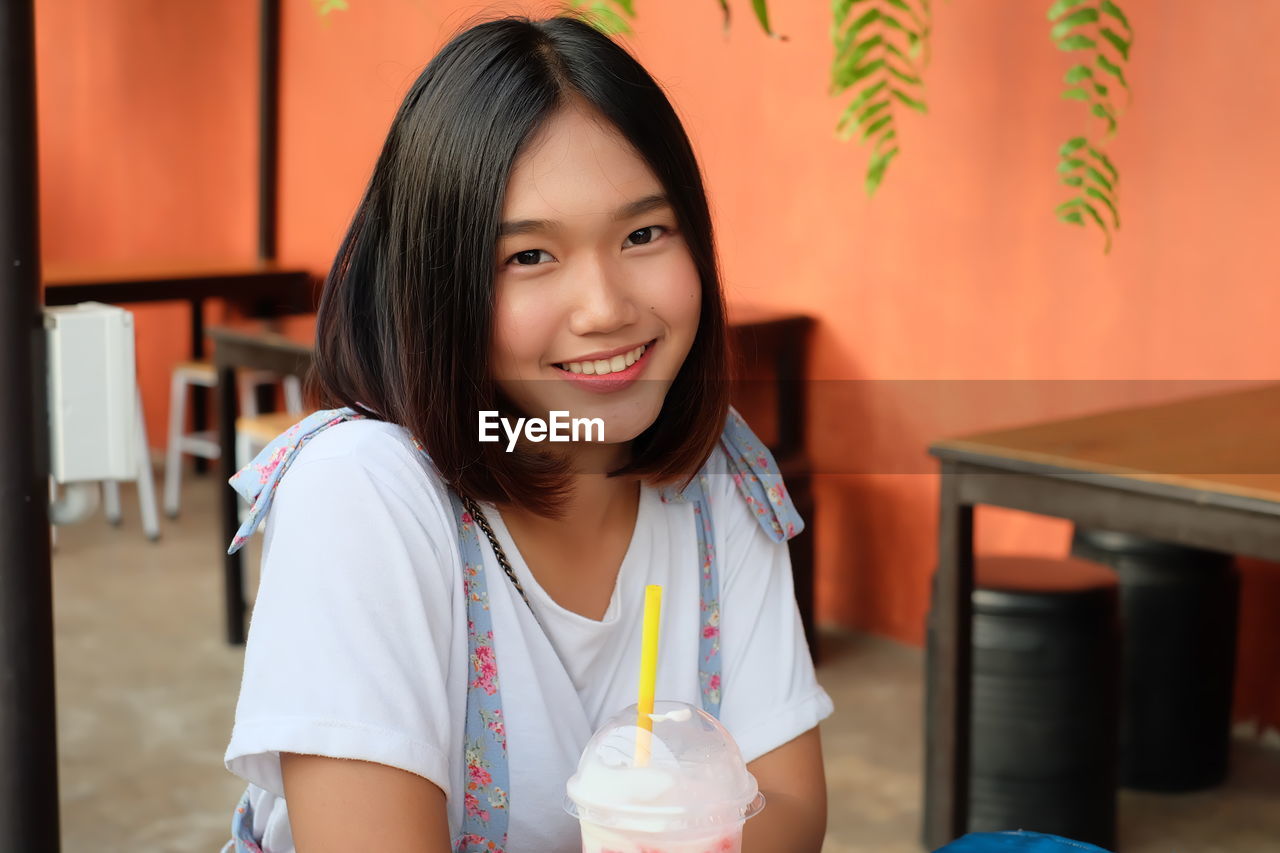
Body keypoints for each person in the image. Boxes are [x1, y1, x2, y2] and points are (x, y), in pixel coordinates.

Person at [223, 14, 831, 853]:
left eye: (644, 234)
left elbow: (792, 805)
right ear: (438, 286)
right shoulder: (361, 494)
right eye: (529, 258)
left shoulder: (719, 470)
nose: (608, 308)